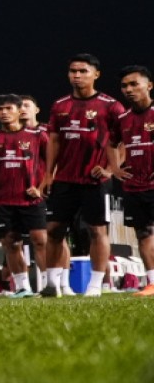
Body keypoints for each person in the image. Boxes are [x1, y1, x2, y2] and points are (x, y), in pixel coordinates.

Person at [41, 54, 126, 297]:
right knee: (55, 229)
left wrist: (111, 168)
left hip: (95, 181)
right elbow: (54, 141)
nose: (76, 76)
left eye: (83, 71)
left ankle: (95, 285)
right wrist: (49, 174)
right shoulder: (60, 106)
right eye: (72, 71)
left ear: (96, 74)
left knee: (97, 231)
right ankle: (51, 284)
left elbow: (123, 140)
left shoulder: (111, 106)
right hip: (65, 180)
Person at [0, 94, 49, 298]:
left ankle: (48, 285)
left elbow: (52, 164)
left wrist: (41, 187)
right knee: (10, 243)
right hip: (3, 200)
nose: (4, 113)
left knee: (40, 240)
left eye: (8, 108)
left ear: (19, 111)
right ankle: (22, 287)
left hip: (31, 199)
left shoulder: (38, 136)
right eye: (0, 109)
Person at [20, 92, 75, 294]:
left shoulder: (46, 132)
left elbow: (58, 159)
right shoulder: (13, 135)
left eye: (27, 105)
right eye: (20, 106)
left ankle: (64, 283)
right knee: (38, 240)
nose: (22, 109)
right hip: (25, 195)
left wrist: (43, 184)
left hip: (49, 190)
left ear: (37, 109)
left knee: (57, 235)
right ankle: (47, 283)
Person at [113, 65, 154, 297]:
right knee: (143, 233)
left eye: (134, 84)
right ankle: (152, 283)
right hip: (134, 186)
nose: (128, 89)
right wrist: (115, 169)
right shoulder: (123, 119)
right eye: (124, 86)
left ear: (149, 85)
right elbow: (111, 144)